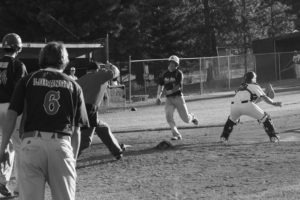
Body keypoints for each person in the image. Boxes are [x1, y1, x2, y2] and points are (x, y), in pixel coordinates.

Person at [0, 41, 89, 200]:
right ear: (64, 60)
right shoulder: (74, 86)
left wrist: (3, 146)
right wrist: (72, 160)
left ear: (42, 59)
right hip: (60, 145)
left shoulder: (28, 80)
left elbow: (12, 114)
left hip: (31, 143)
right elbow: (76, 131)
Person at [77, 61, 125, 160]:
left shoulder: (80, 80)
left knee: (103, 128)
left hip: (80, 110)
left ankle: (117, 151)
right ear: (97, 69)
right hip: (90, 110)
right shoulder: (100, 75)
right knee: (85, 141)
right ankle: (67, 157)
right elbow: (116, 71)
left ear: (87, 70)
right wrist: (110, 65)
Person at [220, 71, 282, 143]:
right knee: (265, 118)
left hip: (234, 106)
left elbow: (249, 101)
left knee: (230, 121)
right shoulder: (254, 85)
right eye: (255, 78)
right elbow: (263, 97)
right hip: (247, 105)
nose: (256, 79)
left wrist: (264, 97)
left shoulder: (241, 87)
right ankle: (273, 137)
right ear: (252, 79)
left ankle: (223, 138)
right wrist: (273, 103)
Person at [0, 33, 27, 197]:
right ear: (18, 48)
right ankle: (19, 185)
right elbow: (20, 90)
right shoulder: (18, 65)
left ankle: (2, 181)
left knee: (3, 143)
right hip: (11, 107)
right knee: (18, 145)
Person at [156, 55, 199, 140]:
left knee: (186, 119)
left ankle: (192, 117)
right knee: (168, 117)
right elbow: (160, 85)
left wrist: (171, 91)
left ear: (176, 65)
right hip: (169, 99)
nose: (171, 65)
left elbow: (178, 86)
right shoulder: (164, 74)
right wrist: (158, 97)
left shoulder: (179, 73)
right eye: (171, 63)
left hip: (178, 98)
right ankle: (176, 134)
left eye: (174, 63)